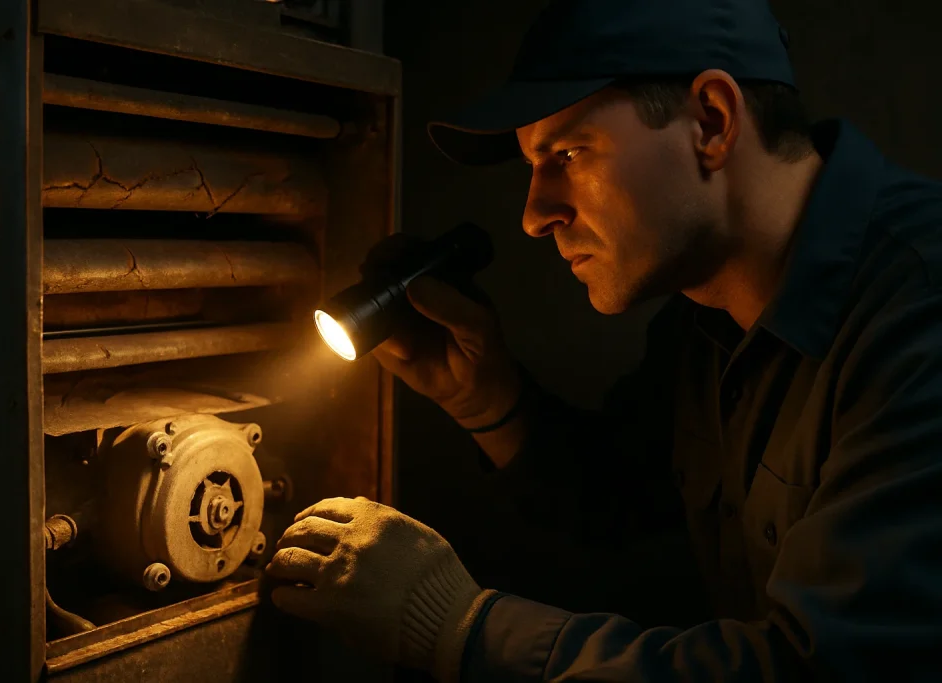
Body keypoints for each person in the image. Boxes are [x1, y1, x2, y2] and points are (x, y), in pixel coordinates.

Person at [265, 0, 942, 680]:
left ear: (711, 120)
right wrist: (489, 401)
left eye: (567, 151)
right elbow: (620, 490)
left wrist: (456, 624)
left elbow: (822, 668)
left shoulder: (918, 314)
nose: (534, 215)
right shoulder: (707, 315)